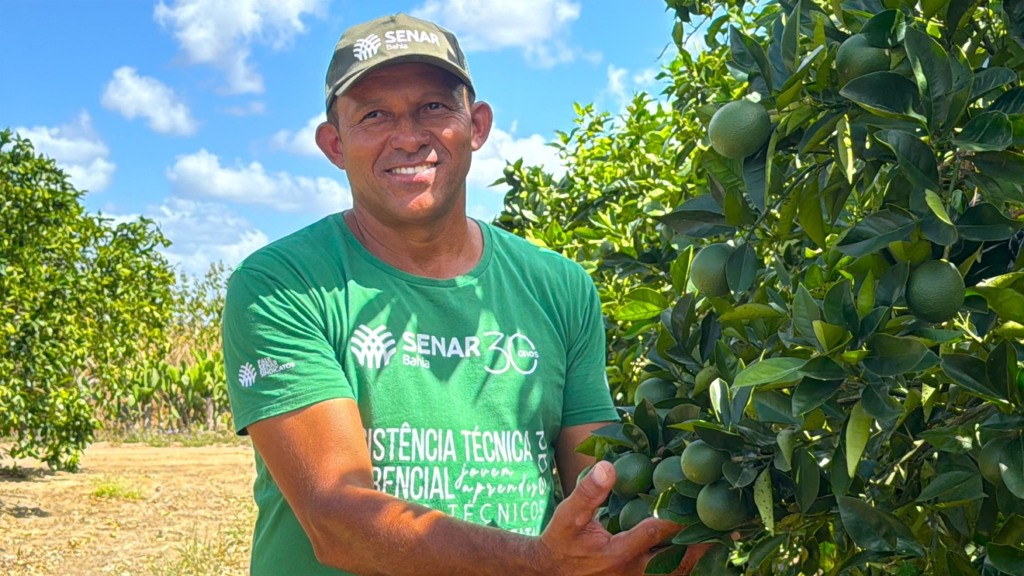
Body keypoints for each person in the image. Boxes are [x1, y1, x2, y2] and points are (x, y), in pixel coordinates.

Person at [223, 12, 706, 575]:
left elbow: (599, 484)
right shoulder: (282, 283)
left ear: (475, 125)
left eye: (433, 107)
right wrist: (538, 563)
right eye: (374, 115)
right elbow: (338, 519)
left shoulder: (559, 286)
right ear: (334, 144)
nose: (407, 136)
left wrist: (686, 512)